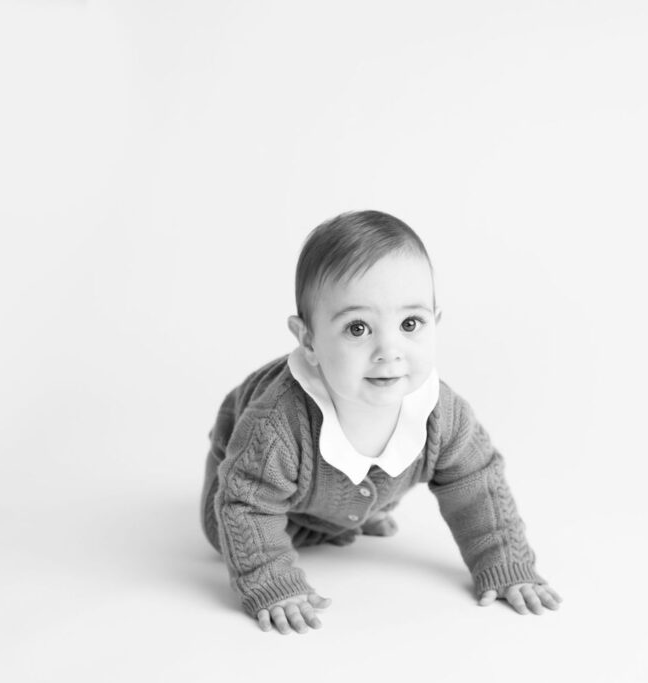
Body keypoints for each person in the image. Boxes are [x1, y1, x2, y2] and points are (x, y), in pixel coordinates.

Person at [200, 210, 562, 634]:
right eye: (358, 328)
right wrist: (273, 582)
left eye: (410, 324)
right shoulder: (277, 425)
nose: (389, 350)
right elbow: (247, 504)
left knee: (387, 492)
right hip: (242, 476)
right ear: (308, 340)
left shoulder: (441, 414)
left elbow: (477, 487)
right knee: (222, 529)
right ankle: (321, 523)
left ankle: (346, 514)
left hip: (346, 491)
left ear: (436, 323)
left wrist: (505, 562)